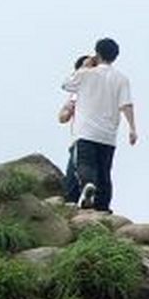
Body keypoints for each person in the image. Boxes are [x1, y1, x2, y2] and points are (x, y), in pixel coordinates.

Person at [62, 37, 138, 212]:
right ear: (115, 56)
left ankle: (88, 187)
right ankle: (103, 208)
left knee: (85, 165)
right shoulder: (121, 79)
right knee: (105, 172)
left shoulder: (87, 73)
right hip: (108, 135)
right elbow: (126, 104)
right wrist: (133, 129)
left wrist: (84, 67)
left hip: (86, 131)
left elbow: (66, 84)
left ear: (97, 54)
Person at [58, 53, 95, 203]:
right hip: (101, 140)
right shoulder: (77, 94)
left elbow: (63, 117)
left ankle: (83, 199)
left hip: (82, 139)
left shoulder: (78, 93)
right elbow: (63, 116)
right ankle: (90, 203)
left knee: (75, 178)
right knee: (95, 174)